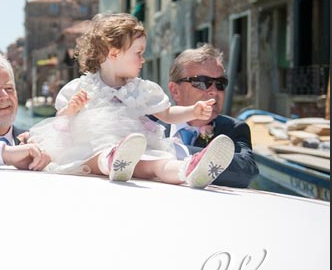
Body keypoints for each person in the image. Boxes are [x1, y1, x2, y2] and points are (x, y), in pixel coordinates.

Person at [28, 13, 235, 189]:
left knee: (158, 162)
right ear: (114, 53)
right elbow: (60, 123)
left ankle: (188, 169)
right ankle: (112, 161)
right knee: (96, 155)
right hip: (92, 151)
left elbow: (167, 114)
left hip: (134, 150)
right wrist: (71, 109)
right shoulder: (81, 88)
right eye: (139, 53)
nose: (143, 60)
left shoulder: (140, 89)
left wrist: (193, 111)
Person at [166, 44, 259, 188]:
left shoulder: (233, 128)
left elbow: (246, 171)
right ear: (175, 91)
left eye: (220, 84)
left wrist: (177, 151)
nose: (214, 92)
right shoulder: (149, 122)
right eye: (203, 82)